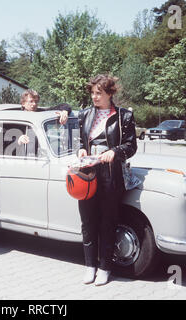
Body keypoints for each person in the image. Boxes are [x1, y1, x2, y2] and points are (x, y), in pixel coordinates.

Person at [76, 74, 137, 285]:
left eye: (99, 93)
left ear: (110, 93)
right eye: (92, 93)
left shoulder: (124, 116)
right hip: (88, 173)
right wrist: (81, 150)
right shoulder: (84, 114)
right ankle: (89, 265)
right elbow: (80, 141)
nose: (94, 97)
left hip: (110, 174)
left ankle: (105, 267)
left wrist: (116, 151)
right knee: (87, 222)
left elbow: (131, 147)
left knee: (107, 222)